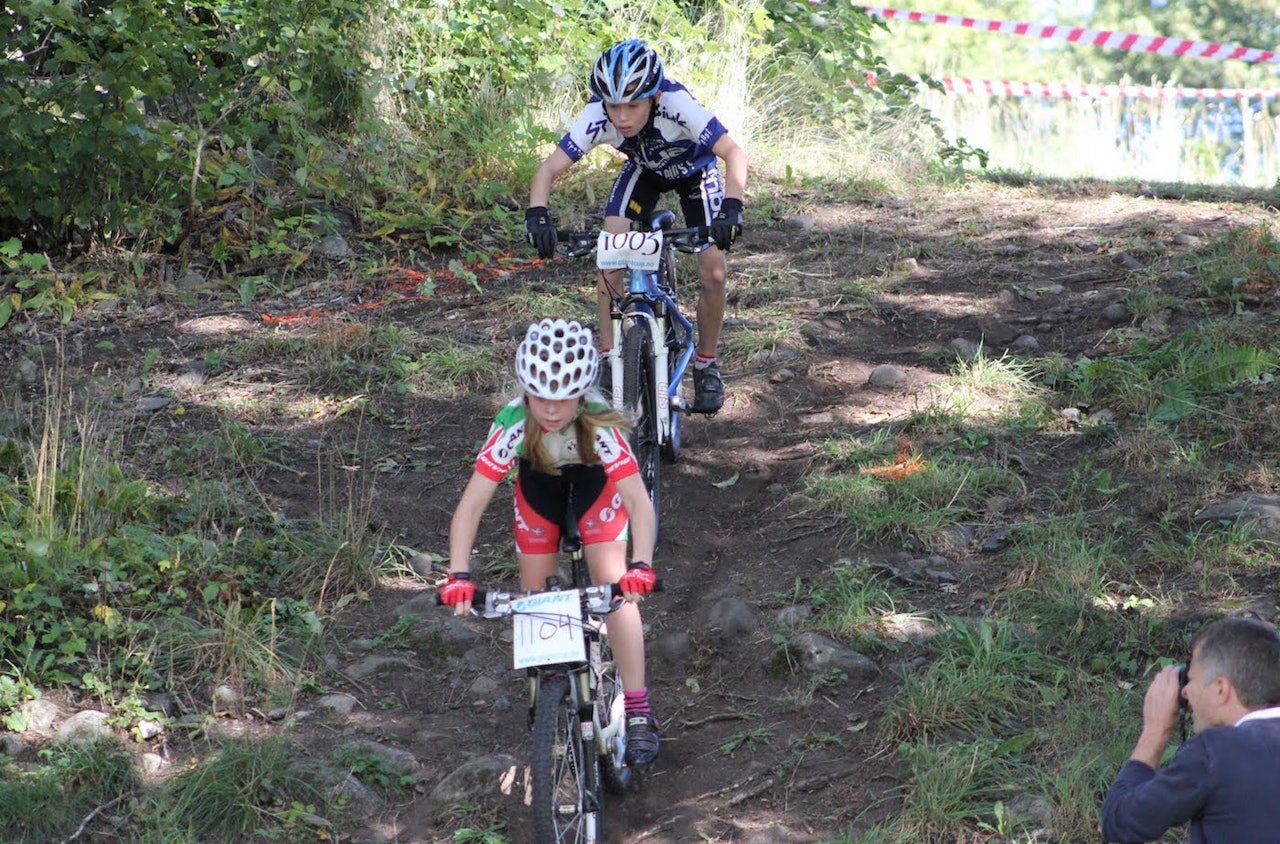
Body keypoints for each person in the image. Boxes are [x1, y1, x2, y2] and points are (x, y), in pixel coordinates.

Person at [438, 317, 662, 766]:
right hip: (539, 484)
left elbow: (637, 501)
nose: (552, 409)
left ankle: (638, 708)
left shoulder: (600, 424)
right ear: (525, 390)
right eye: (540, 396)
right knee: (536, 597)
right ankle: (551, 694)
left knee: (611, 580)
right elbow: (472, 504)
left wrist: (641, 565)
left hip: (595, 484)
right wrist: (458, 574)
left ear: (581, 394)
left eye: (563, 399)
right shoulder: (513, 424)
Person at [524, 39, 749, 415]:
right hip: (644, 172)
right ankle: (611, 358)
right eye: (614, 106)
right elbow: (548, 169)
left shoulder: (677, 106)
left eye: (633, 105)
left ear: (655, 96)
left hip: (696, 175)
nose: (622, 117)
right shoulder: (597, 116)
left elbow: (733, 152)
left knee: (713, 271)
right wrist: (538, 215)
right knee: (609, 256)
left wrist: (732, 207)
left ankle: (706, 364)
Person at [1100, 616, 1280, 843]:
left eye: (1191, 679)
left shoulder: (1216, 751)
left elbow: (1121, 824)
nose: (1184, 692)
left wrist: (1155, 732)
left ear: (1220, 689)